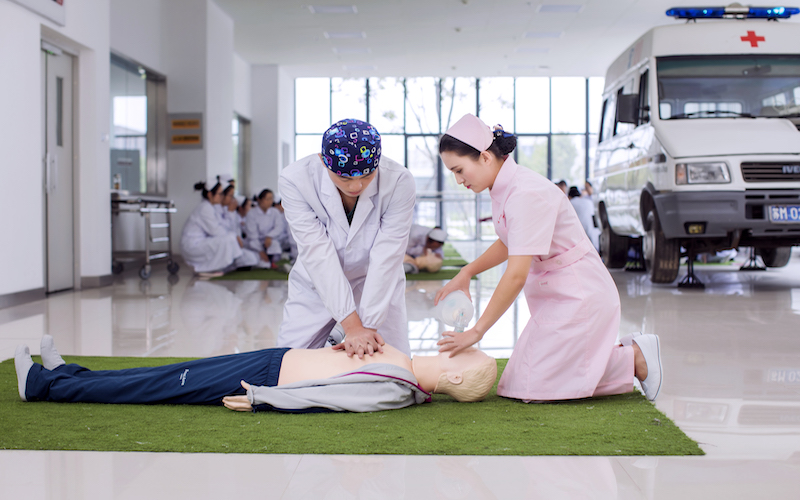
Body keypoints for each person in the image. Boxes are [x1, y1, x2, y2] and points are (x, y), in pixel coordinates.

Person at [434, 113, 663, 402]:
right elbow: (510, 241)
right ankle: (616, 357)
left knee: (534, 386)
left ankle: (634, 357)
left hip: (581, 295)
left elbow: (515, 275)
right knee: (518, 383)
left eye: (459, 170)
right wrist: (466, 272)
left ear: (485, 157)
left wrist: (477, 331)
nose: (458, 180)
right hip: (555, 294)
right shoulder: (504, 186)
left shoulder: (524, 193)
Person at [14, 335, 497, 412]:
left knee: (158, 386)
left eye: (463, 356)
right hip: (274, 358)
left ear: (454, 380)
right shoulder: (402, 360)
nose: (458, 348)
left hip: (261, 380)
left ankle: (41, 387)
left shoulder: (398, 389)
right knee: (172, 371)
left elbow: (331, 398)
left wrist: (264, 398)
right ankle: (67, 374)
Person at [277, 119, 415, 358]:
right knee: (288, 361)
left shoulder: (399, 181)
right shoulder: (296, 180)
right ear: (323, 161)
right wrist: (352, 326)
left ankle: (339, 336)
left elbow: (387, 256)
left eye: (367, 175)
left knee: (393, 363)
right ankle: (337, 334)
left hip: (375, 281)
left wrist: (367, 328)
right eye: (345, 178)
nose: (356, 186)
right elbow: (317, 252)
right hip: (317, 281)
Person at [180, 177, 253, 277]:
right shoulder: (205, 208)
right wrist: (234, 236)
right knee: (229, 238)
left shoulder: (210, 207)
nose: (222, 197)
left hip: (201, 243)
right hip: (194, 246)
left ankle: (216, 267)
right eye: (220, 194)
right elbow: (216, 231)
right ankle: (206, 268)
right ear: (210, 194)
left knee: (231, 239)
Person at [244, 189, 283, 269]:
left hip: (270, 242)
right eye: (267, 199)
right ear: (259, 200)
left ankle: (271, 261)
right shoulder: (252, 213)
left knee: (275, 246)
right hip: (255, 244)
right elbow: (252, 236)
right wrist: (261, 251)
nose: (270, 202)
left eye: (271, 199)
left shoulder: (275, 212)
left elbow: (279, 227)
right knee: (258, 261)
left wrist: (269, 236)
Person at [568, 186, 600, 252]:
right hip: (593, 234)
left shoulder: (570, 203)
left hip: (578, 236)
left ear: (569, 196)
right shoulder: (589, 202)